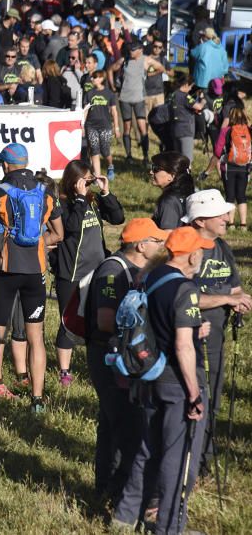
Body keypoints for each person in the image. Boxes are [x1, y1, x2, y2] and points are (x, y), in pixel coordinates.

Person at [115, 227, 211, 534]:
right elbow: (183, 346)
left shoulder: (149, 276)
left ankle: (124, 517)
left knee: (148, 448)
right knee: (177, 457)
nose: (204, 254)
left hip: (149, 375)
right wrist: (194, 395)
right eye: (201, 250)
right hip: (176, 383)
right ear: (191, 254)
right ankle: (170, 527)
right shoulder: (185, 289)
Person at [0, 144, 63, 413]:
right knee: (36, 336)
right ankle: (37, 400)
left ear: (6, 165)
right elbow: (59, 233)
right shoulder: (45, 191)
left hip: (5, 272)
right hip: (36, 272)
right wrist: (38, 244)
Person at [88, 219, 168, 503]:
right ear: (141, 245)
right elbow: (106, 320)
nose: (162, 245)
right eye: (157, 241)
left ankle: (107, 490)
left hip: (122, 355)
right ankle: (117, 493)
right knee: (125, 426)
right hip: (108, 356)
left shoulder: (140, 269)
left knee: (113, 424)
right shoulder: (112, 271)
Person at [185, 189, 252, 475]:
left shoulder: (222, 247)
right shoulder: (185, 249)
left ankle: (204, 458)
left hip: (217, 338)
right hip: (189, 337)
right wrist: (227, 299)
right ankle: (188, 457)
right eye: (220, 213)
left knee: (213, 397)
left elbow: (235, 287)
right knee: (194, 398)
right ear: (200, 220)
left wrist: (241, 298)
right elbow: (183, 297)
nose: (227, 217)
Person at [52, 161, 124, 385]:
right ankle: (64, 371)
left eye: (90, 180)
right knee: (69, 320)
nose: (89, 184)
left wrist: (105, 192)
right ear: (74, 181)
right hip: (72, 272)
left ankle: (98, 363)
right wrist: (81, 198)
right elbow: (71, 227)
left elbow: (118, 218)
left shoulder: (93, 201)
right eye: (86, 180)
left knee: (98, 320)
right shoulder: (62, 204)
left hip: (97, 270)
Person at [82, 69, 120, 179]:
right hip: (91, 125)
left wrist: (116, 127)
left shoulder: (109, 94)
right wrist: (83, 125)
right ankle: (97, 176)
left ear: (102, 79)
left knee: (105, 150)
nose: (92, 79)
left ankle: (110, 166)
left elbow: (114, 111)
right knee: (94, 149)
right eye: (92, 77)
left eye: (95, 77)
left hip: (105, 125)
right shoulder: (89, 93)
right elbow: (86, 110)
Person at [218, 105, 251, 228]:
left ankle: (230, 223)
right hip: (245, 167)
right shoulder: (249, 130)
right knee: (241, 195)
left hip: (229, 167)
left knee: (230, 196)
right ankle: (243, 225)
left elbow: (217, 151)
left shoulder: (226, 130)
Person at [150, 151, 194, 230]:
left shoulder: (169, 201)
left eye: (155, 169)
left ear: (172, 175)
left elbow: (167, 235)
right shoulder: (189, 194)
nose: (151, 172)